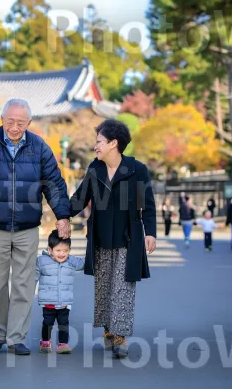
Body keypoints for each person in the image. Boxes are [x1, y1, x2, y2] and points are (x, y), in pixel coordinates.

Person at [0, 98, 71, 356]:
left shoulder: (39, 147)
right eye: (10, 121)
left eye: (20, 123)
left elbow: (53, 183)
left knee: (24, 283)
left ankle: (16, 337)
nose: (14, 127)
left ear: (29, 123)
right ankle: (0, 332)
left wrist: (62, 216)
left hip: (27, 227)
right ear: (2, 120)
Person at [70, 119, 157, 359]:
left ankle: (121, 337)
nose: (95, 146)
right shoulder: (95, 169)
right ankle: (109, 329)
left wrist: (150, 233)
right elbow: (79, 199)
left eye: (99, 142)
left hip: (128, 238)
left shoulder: (137, 169)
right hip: (99, 236)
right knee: (105, 287)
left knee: (123, 287)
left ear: (113, 143)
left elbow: (147, 204)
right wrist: (61, 216)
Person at [35, 230, 85, 354]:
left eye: (66, 251)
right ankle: (45, 342)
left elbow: (82, 264)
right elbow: (34, 276)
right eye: (58, 251)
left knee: (64, 323)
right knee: (48, 322)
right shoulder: (41, 261)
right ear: (50, 249)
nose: (62, 254)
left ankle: (63, 344)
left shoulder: (71, 261)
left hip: (64, 300)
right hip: (48, 300)